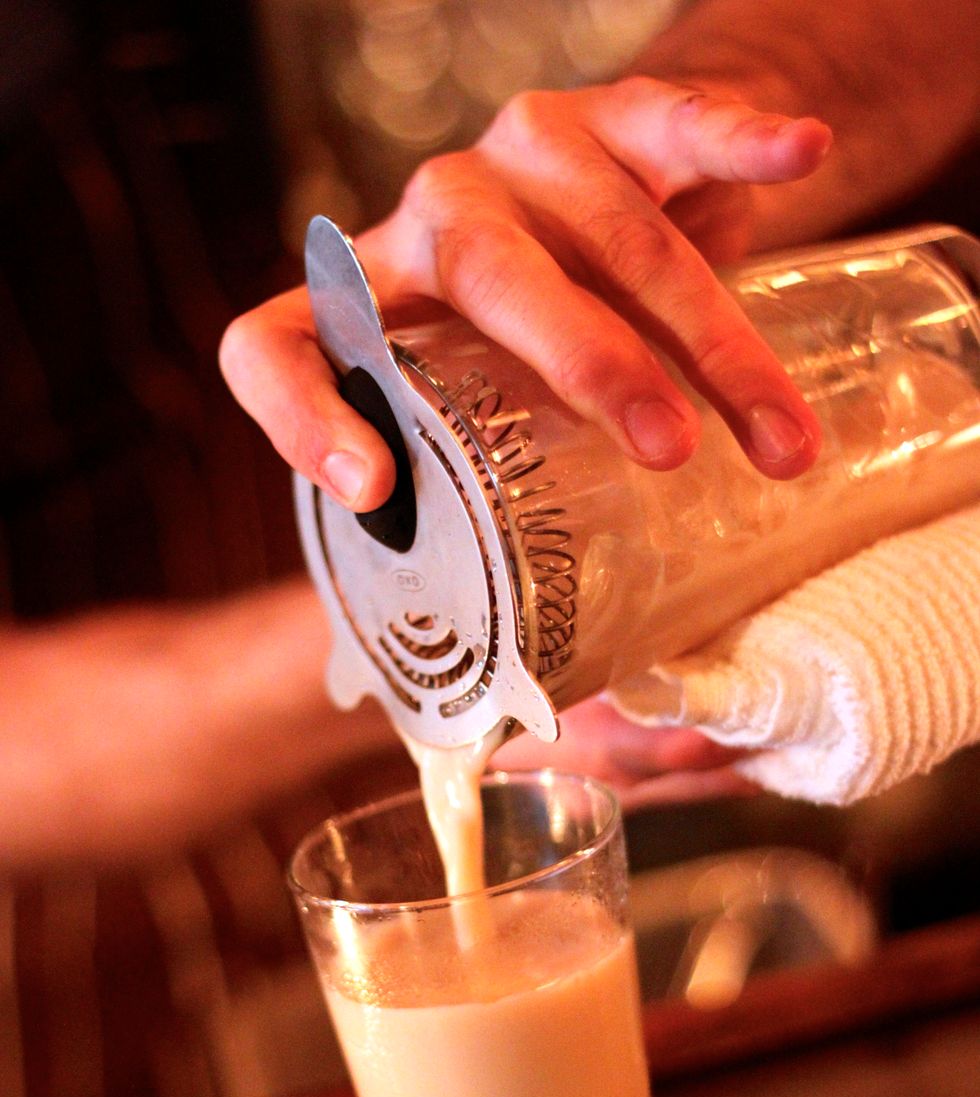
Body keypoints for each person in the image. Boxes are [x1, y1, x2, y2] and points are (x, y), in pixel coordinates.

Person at [220, 0, 980, 809]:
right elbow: (63, 764)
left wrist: (682, 135)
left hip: (889, 313)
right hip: (429, 774)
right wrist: (477, 595)